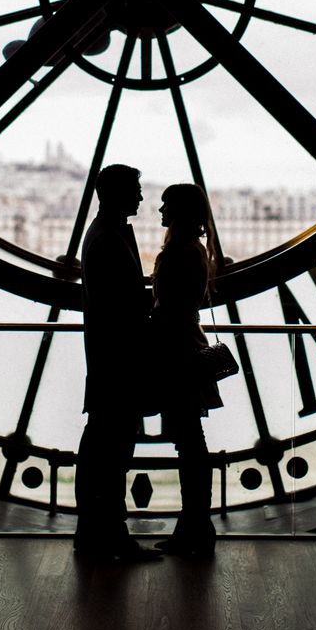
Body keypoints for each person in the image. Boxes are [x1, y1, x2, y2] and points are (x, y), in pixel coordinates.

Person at [74, 163, 160, 562]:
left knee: (104, 448)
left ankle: (98, 530)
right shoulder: (112, 238)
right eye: (136, 190)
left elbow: (110, 305)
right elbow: (123, 306)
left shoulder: (102, 236)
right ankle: (108, 531)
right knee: (114, 451)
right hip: (120, 362)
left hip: (109, 360)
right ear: (118, 194)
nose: (142, 197)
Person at [150, 183, 223, 556]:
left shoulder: (178, 252)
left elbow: (166, 306)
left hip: (174, 354)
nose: (159, 211)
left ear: (178, 214)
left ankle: (194, 525)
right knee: (191, 441)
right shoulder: (194, 251)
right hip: (187, 350)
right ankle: (196, 524)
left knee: (188, 442)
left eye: (165, 206)